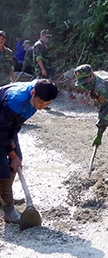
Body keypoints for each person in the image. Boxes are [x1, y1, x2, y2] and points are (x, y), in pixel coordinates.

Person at [0, 79, 58, 223]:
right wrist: (11, 154)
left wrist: (14, 154)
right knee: (2, 165)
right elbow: (1, 131)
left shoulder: (39, 92)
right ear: (32, 93)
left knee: (17, 158)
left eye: (47, 104)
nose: (42, 107)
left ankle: (3, 196)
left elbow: (14, 124)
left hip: (6, 123)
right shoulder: (15, 100)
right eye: (41, 103)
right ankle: (8, 211)